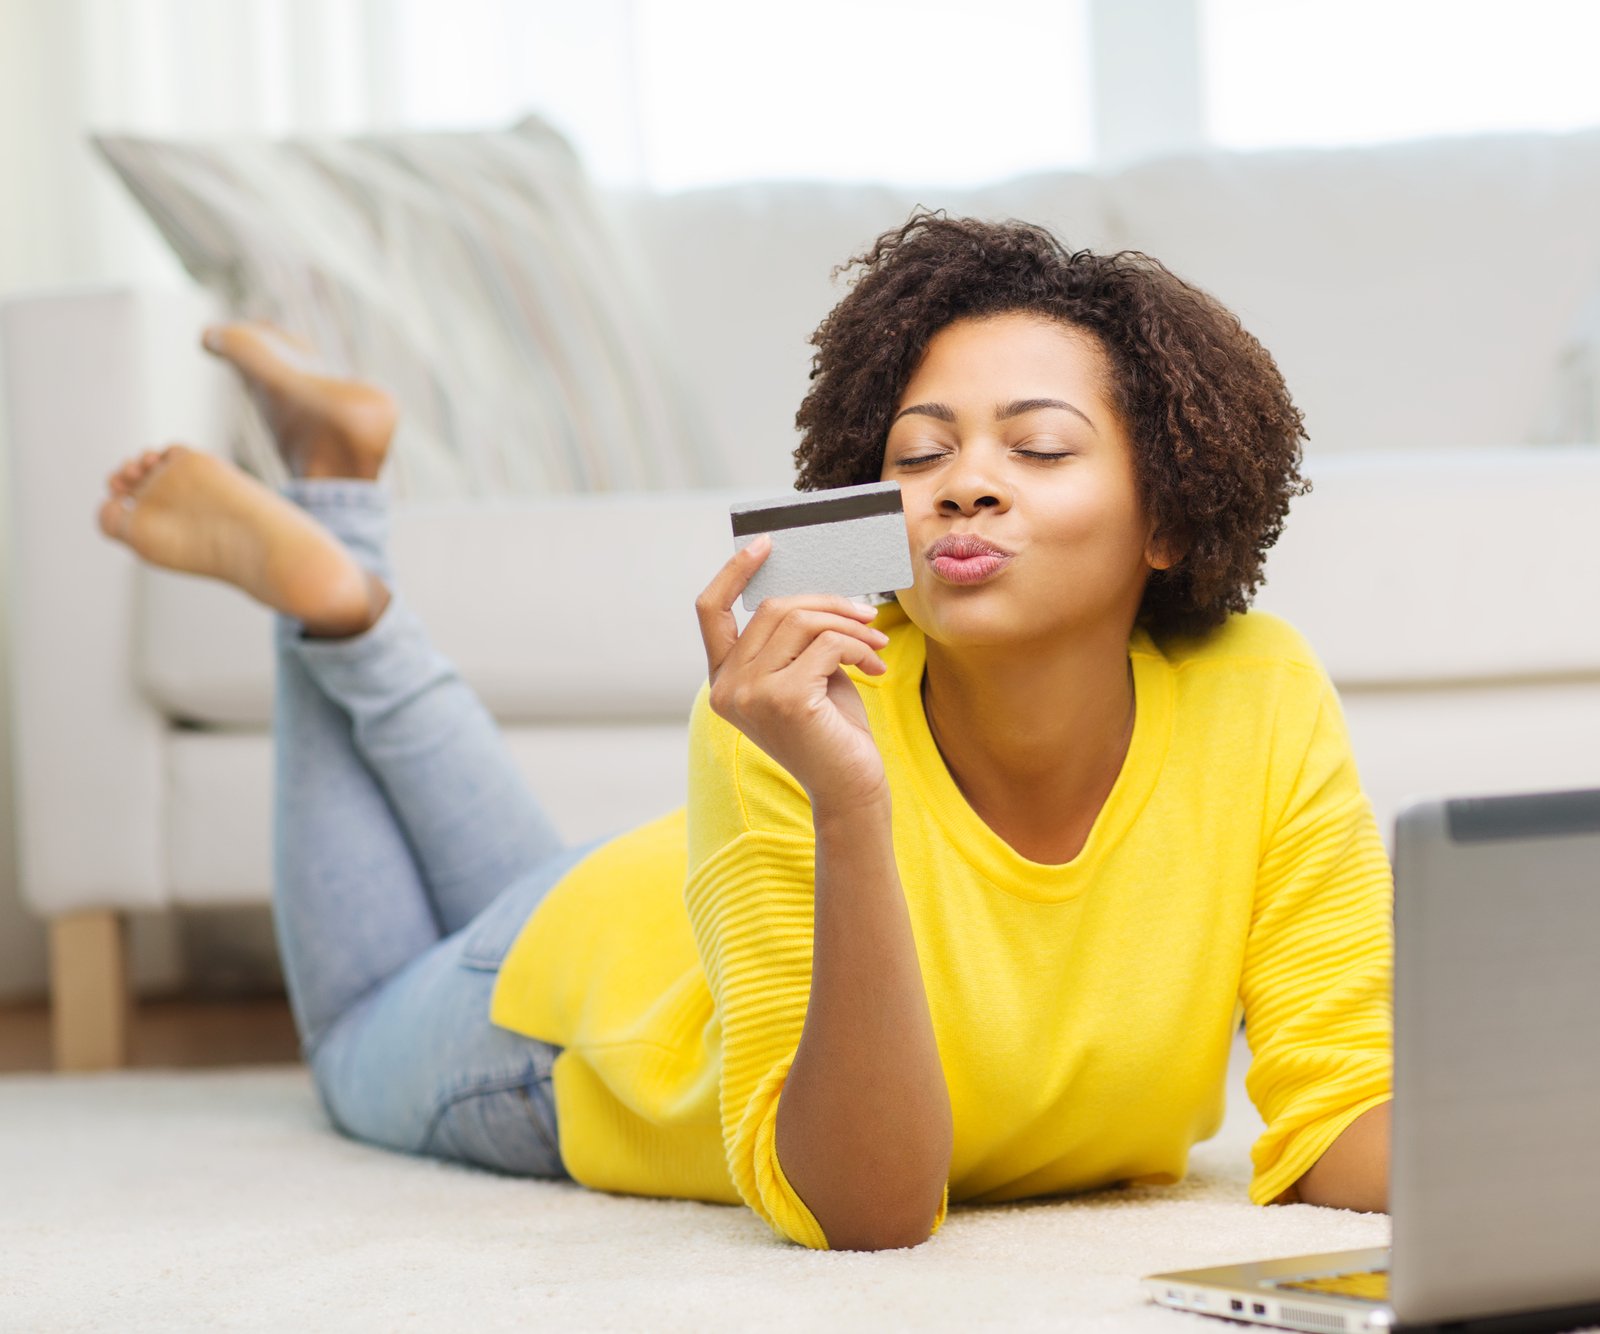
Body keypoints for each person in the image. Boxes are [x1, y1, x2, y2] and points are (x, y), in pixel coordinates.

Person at [94, 211, 1393, 1252]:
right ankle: (333, 588)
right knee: (355, 1034)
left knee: (504, 892)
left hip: (644, 906)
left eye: (1041, 447)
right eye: (922, 451)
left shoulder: (1260, 694)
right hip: (565, 1032)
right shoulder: (804, 698)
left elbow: (1340, 1109)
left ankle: (336, 483)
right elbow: (865, 1207)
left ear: (1167, 517)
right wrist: (848, 798)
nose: (968, 481)